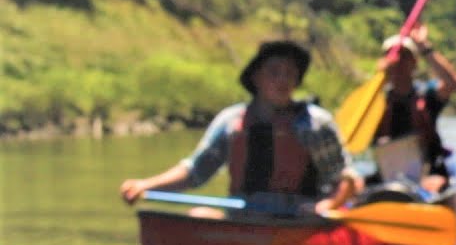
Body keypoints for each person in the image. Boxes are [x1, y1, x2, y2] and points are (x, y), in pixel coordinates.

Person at [120, 40, 362, 215]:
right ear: (256, 78)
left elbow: (347, 180)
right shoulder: (231, 121)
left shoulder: (314, 124)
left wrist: (329, 204)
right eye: (274, 72)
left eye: (290, 74)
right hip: (244, 217)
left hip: (298, 219)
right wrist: (145, 185)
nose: (283, 80)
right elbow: (195, 172)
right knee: (199, 216)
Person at [370, 23, 456, 196]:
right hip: (387, 176)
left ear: (415, 62)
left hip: (429, 173)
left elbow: (452, 84)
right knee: (357, 187)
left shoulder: (427, 96)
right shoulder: (375, 103)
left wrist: (424, 48)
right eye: (394, 56)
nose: (399, 61)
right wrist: (380, 77)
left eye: (405, 56)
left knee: (434, 186)